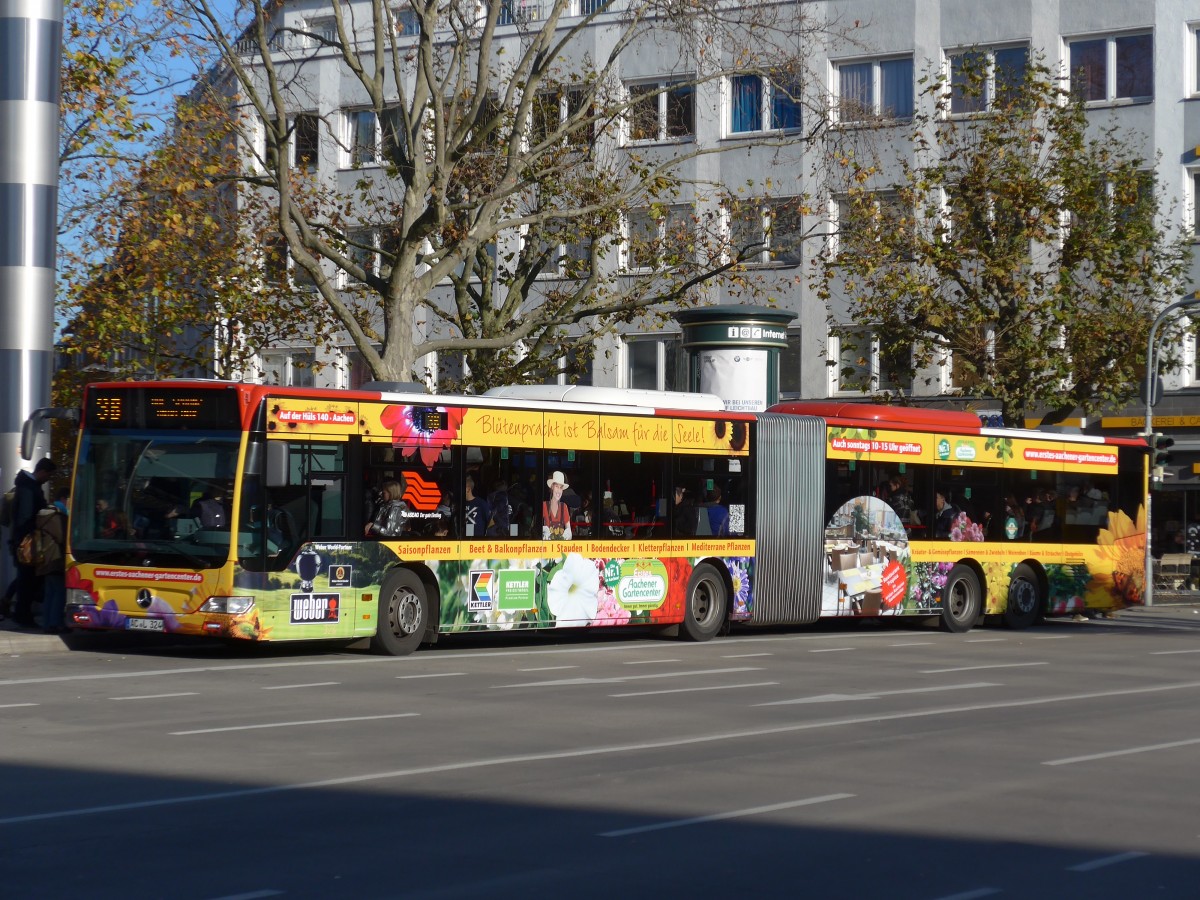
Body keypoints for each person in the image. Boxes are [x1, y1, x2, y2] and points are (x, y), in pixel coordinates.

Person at [10, 458, 56, 628]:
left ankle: (21, 611)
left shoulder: (27, 486)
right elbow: (26, 516)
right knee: (27, 580)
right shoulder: (29, 489)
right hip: (28, 542)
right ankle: (23, 614)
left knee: (26, 579)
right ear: (42, 471)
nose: (48, 480)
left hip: (23, 540)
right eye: (49, 476)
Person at [35, 488, 68, 633]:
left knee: (50, 593)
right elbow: (62, 538)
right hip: (56, 560)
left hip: (44, 560)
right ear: (63, 499)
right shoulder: (57, 516)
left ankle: (47, 623)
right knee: (59, 593)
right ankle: (55, 624)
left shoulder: (42, 514)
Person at [542, 471, 573, 540]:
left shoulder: (564, 507)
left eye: (561, 487)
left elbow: (569, 529)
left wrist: (567, 534)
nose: (559, 491)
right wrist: (543, 530)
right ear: (552, 487)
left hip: (560, 547)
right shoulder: (544, 505)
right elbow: (536, 527)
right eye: (556, 486)